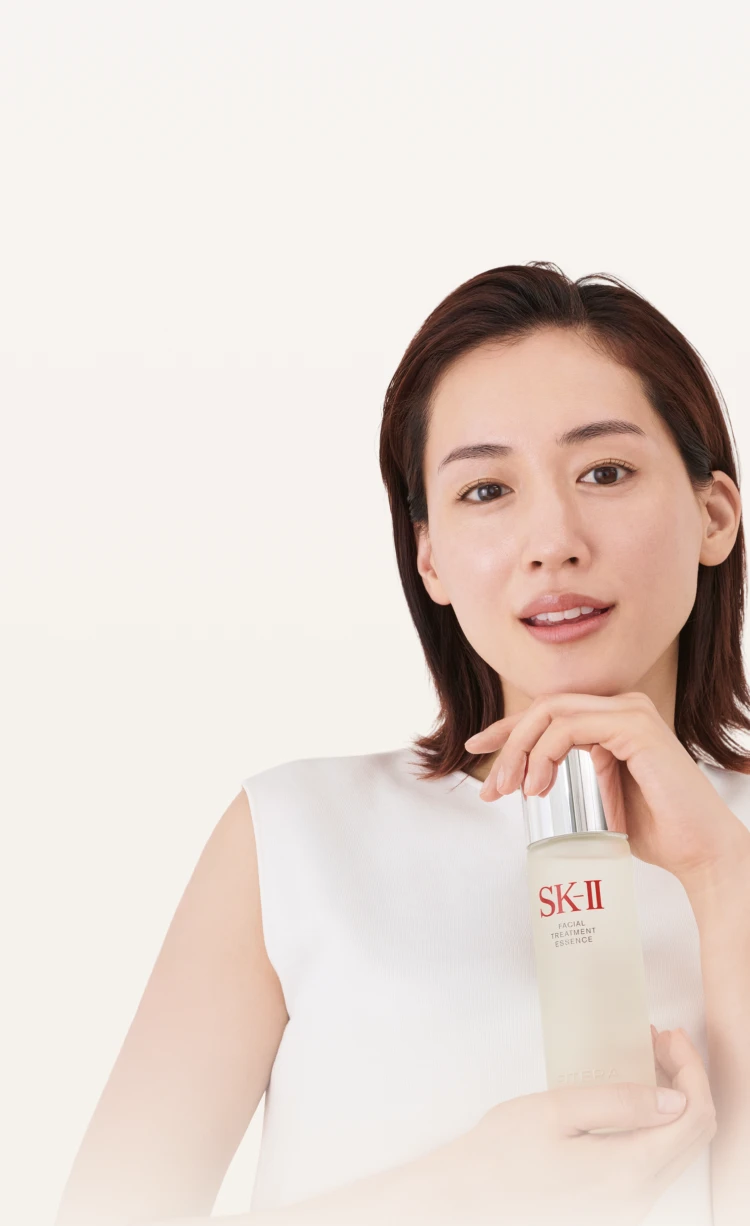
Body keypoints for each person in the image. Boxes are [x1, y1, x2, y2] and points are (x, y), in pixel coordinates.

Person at [54, 263, 750, 1226]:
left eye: (604, 472)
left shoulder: (734, 851)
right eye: (486, 489)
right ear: (430, 558)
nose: (552, 538)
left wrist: (720, 877)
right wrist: (472, 1186)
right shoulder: (296, 838)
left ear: (715, 514)